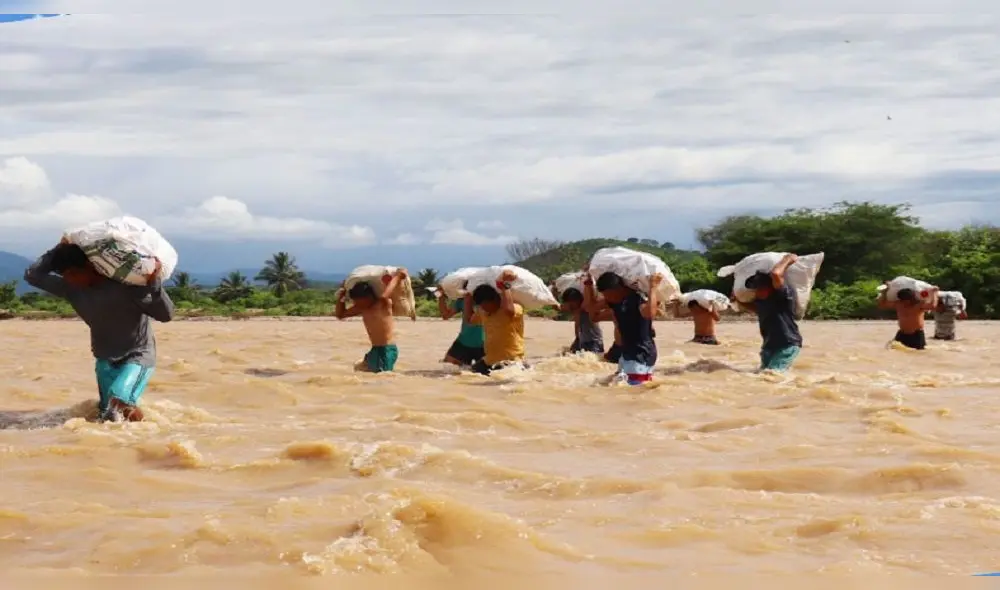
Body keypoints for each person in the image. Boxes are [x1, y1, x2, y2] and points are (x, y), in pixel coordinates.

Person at [23, 242, 175, 422]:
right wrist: (58, 248)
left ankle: (149, 435)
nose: (69, 278)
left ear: (90, 266)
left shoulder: (126, 286)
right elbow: (32, 275)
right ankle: (134, 440)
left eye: (73, 273)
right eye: (65, 275)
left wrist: (154, 282)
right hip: (104, 358)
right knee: (107, 415)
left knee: (119, 399)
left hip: (137, 355)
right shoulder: (72, 289)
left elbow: (166, 315)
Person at [592, 270, 661, 385]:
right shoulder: (616, 302)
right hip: (626, 354)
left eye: (608, 295)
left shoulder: (637, 299)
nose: (606, 298)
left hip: (641, 354)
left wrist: (653, 287)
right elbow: (591, 309)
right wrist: (588, 284)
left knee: (634, 392)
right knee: (620, 387)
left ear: (617, 289)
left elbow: (650, 312)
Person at [335, 268, 408, 373]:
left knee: (383, 377)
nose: (357, 305)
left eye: (360, 302)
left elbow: (384, 295)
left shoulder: (382, 304)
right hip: (375, 350)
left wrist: (398, 277)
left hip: (386, 350)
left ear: (369, 297)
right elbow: (340, 315)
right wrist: (341, 297)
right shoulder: (362, 308)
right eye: (356, 302)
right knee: (360, 370)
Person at [739, 254, 802, 372]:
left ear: (771, 287)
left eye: (760, 288)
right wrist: (737, 300)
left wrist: (787, 259)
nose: (757, 291)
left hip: (787, 344)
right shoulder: (762, 302)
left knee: (771, 375)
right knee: (763, 375)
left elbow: (776, 274)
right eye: (756, 289)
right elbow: (756, 309)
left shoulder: (784, 295)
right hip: (768, 346)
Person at [467, 269, 524, 375]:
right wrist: (467, 297)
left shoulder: (514, 309)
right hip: (489, 360)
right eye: (481, 306)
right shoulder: (482, 312)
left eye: (486, 305)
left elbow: (509, 310)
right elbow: (469, 321)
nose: (484, 308)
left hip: (511, 361)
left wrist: (503, 286)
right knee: (467, 375)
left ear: (495, 299)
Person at [436, 281, 484, 366]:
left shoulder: (488, 303)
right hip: (463, 343)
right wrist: (441, 296)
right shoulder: (461, 301)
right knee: (448, 369)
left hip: (485, 346)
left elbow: (470, 321)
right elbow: (445, 316)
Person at [877, 283, 939, 350]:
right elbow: (882, 305)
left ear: (912, 298)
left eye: (906, 300)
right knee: (894, 350)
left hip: (916, 335)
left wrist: (934, 293)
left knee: (918, 353)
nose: (904, 302)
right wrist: (884, 292)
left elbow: (933, 306)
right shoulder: (898, 304)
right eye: (902, 300)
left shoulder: (919, 305)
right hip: (902, 333)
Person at [559, 286, 605, 355]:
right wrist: (577, 339)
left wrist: (588, 284)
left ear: (578, 300)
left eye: (572, 302)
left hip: (594, 343)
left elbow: (589, 298)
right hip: (581, 341)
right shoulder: (576, 311)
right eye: (569, 303)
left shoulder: (586, 308)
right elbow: (577, 325)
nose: (571, 305)